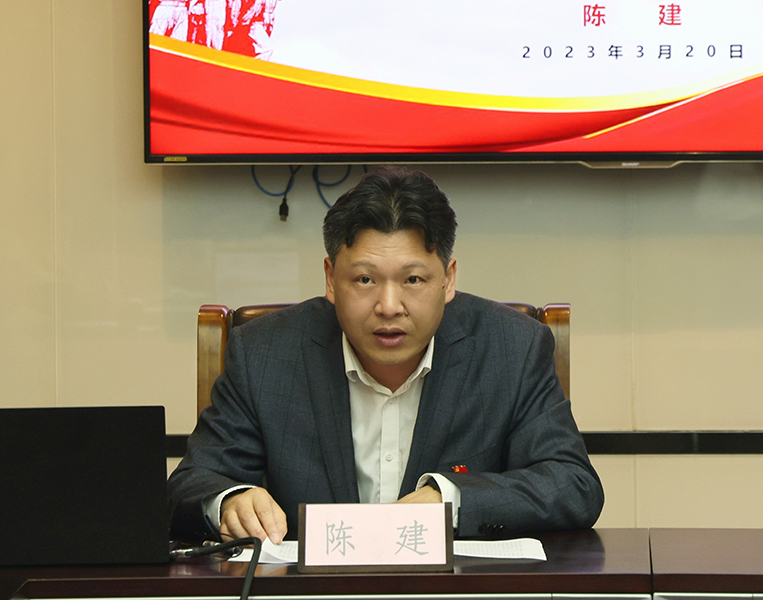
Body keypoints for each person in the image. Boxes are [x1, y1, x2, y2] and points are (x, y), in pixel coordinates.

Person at [167, 166, 603, 545]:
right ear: (331, 279)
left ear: (448, 279)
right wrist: (230, 501)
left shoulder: (512, 348)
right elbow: (189, 485)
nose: (389, 306)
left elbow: (573, 484)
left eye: (413, 280)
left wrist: (450, 500)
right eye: (364, 280)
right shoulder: (264, 354)